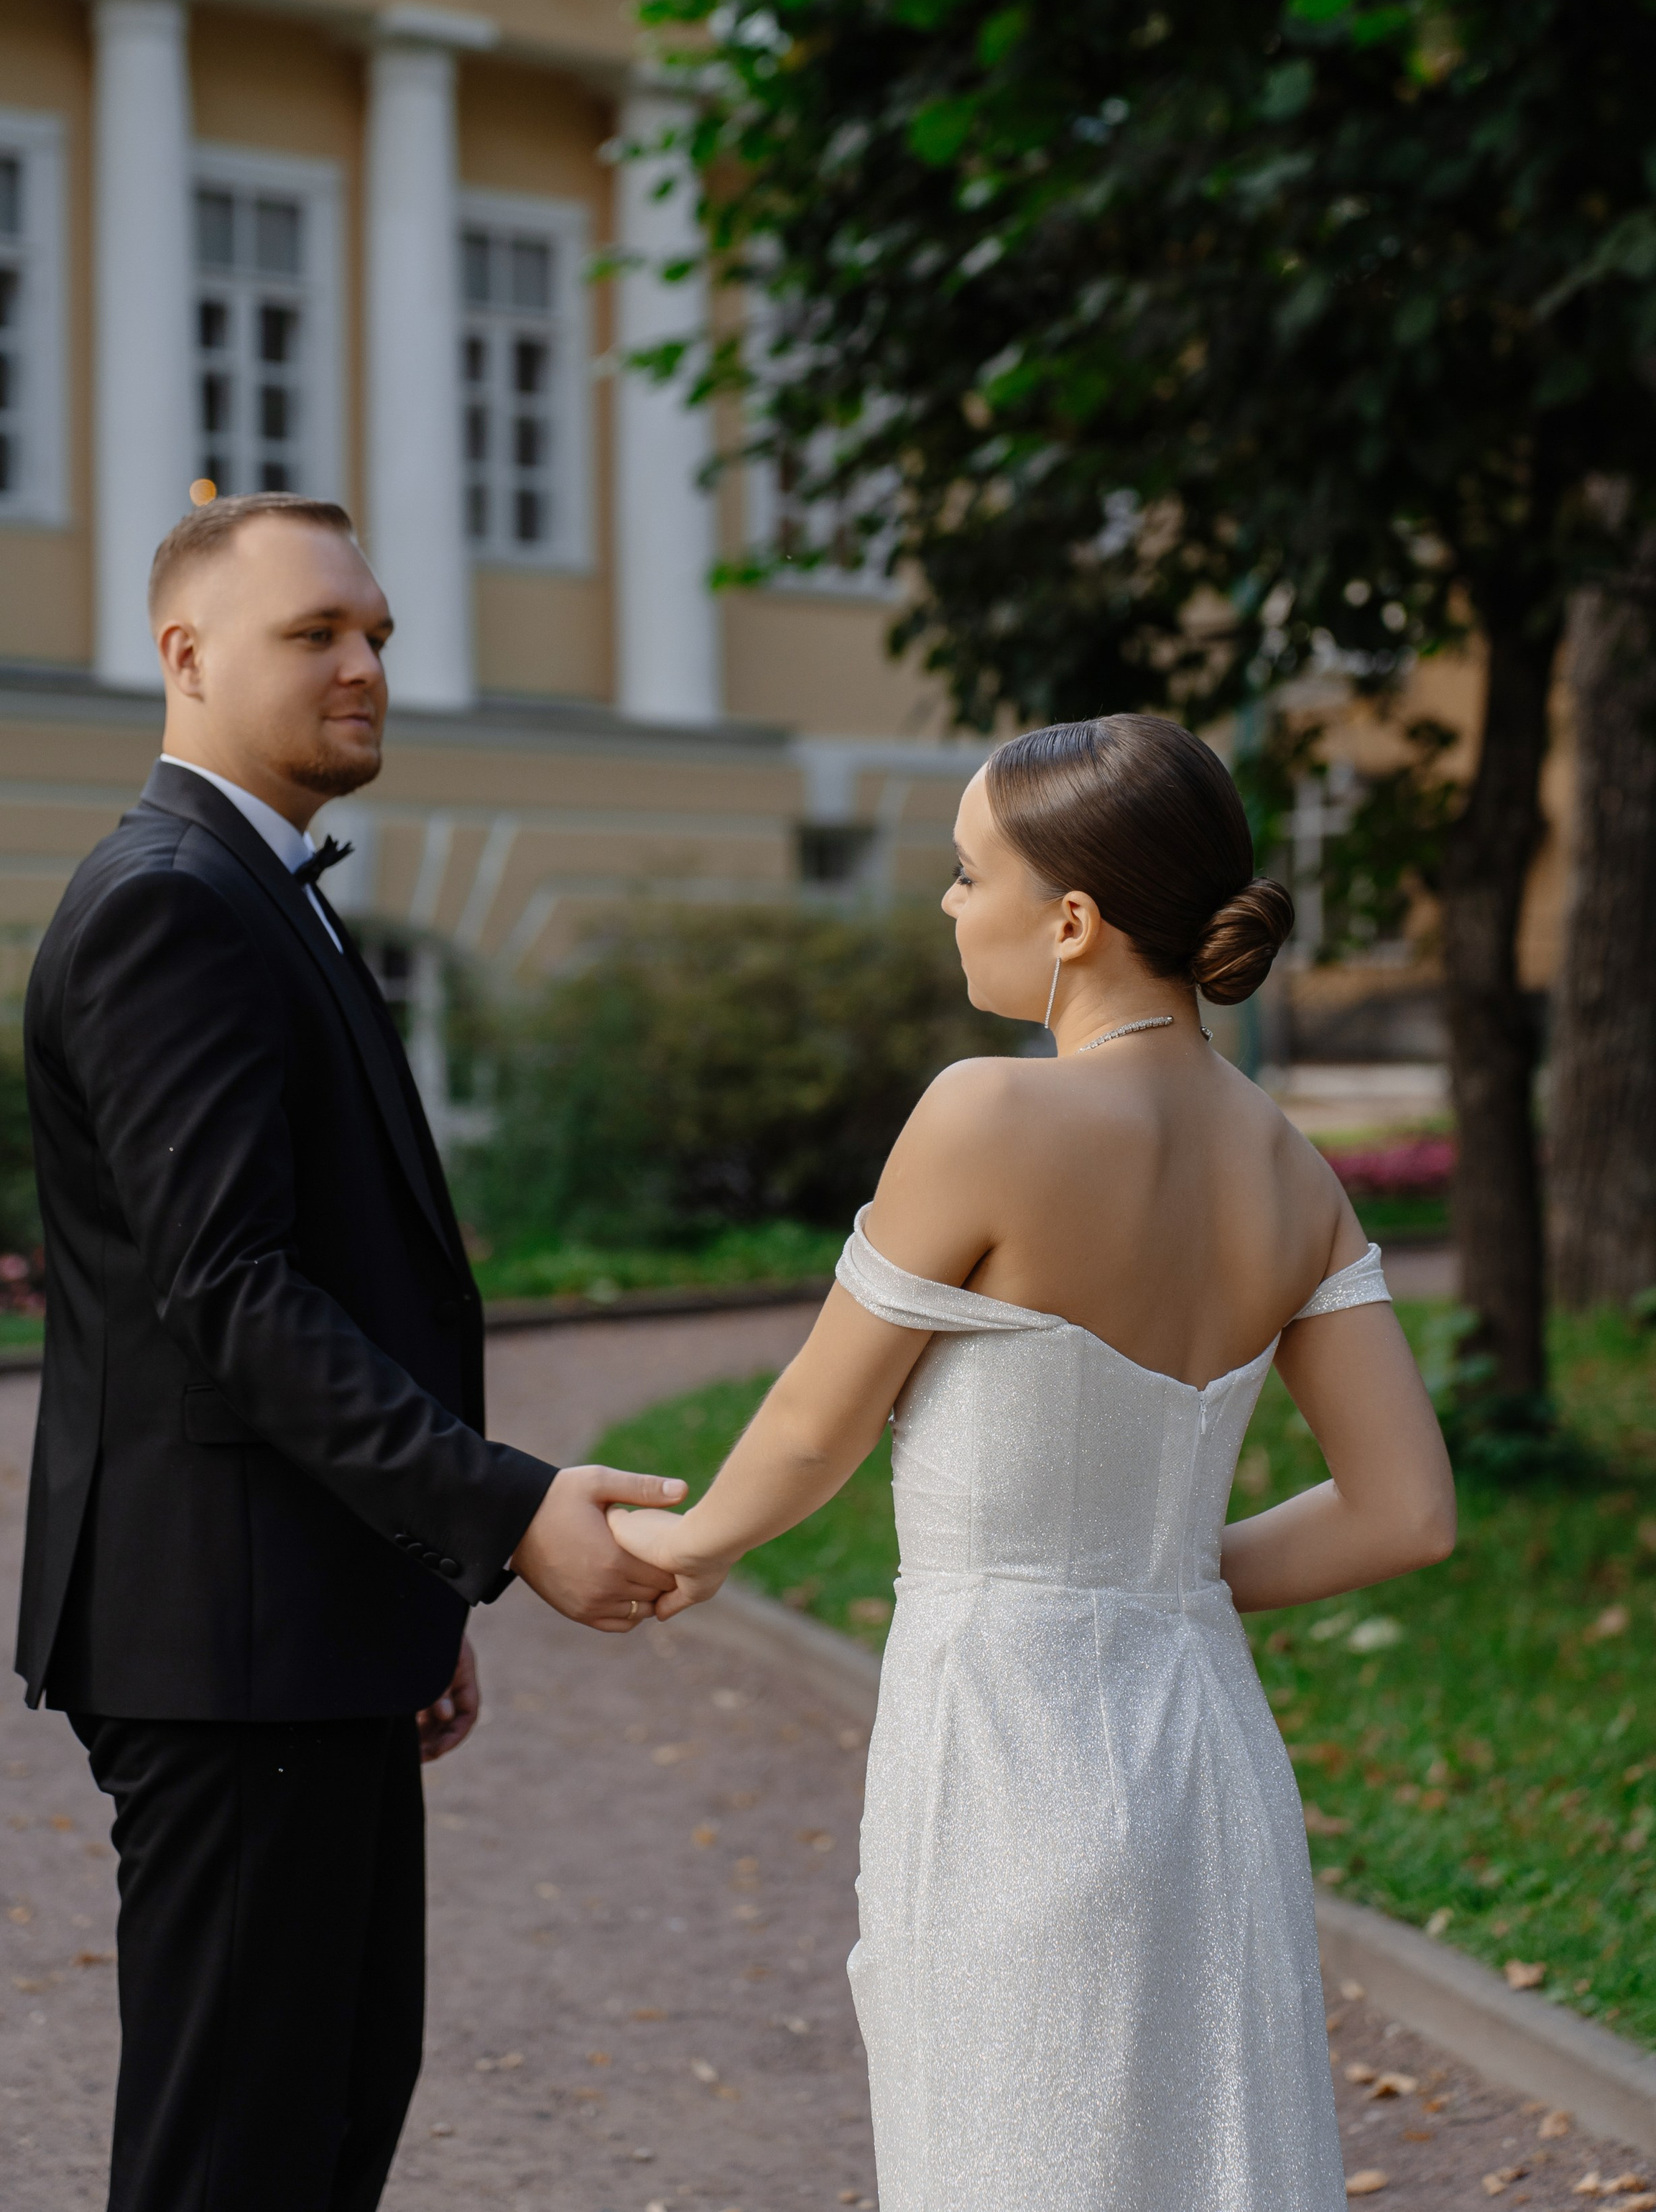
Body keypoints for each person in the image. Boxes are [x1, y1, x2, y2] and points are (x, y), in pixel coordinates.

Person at [611, 713, 1457, 2212]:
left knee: (1007, 2150)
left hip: (1003, 1740)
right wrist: (1163, 1575)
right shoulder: (1288, 1165)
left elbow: (812, 1421)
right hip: (1206, 1756)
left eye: (962, 870)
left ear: (1068, 921)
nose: (946, 902)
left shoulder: (983, 1113)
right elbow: (1404, 1512)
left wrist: (685, 1545)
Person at [15, 491, 683, 2212]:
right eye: (317, 634)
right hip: (224, 1645)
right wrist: (507, 1511)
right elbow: (232, 1293)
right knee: (234, 2158)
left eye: (375, 632)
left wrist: (407, 1591)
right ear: (184, 655)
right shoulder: (172, 902)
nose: (366, 664)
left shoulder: (257, 888)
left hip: (299, 1628)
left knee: (319, 2123)